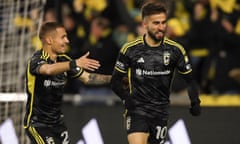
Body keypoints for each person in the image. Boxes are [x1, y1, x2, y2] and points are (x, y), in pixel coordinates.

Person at [111, 2, 201, 144]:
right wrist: (126, 99)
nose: (161, 27)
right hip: (137, 111)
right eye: (156, 23)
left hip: (160, 111)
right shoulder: (130, 49)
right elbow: (115, 81)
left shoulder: (175, 50)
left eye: (164, 22)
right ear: (145, 24)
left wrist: (195, 102)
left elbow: (189, 79)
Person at [23, 22, 111, 144]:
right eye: (63, 37)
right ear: (49, 40)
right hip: (38, 124)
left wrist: (115, 79)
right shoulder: (36, 60)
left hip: (58, 123)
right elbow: (48, 69)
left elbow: (87, 78)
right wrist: (74, 63)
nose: (67, 41)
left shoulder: (64, 60)